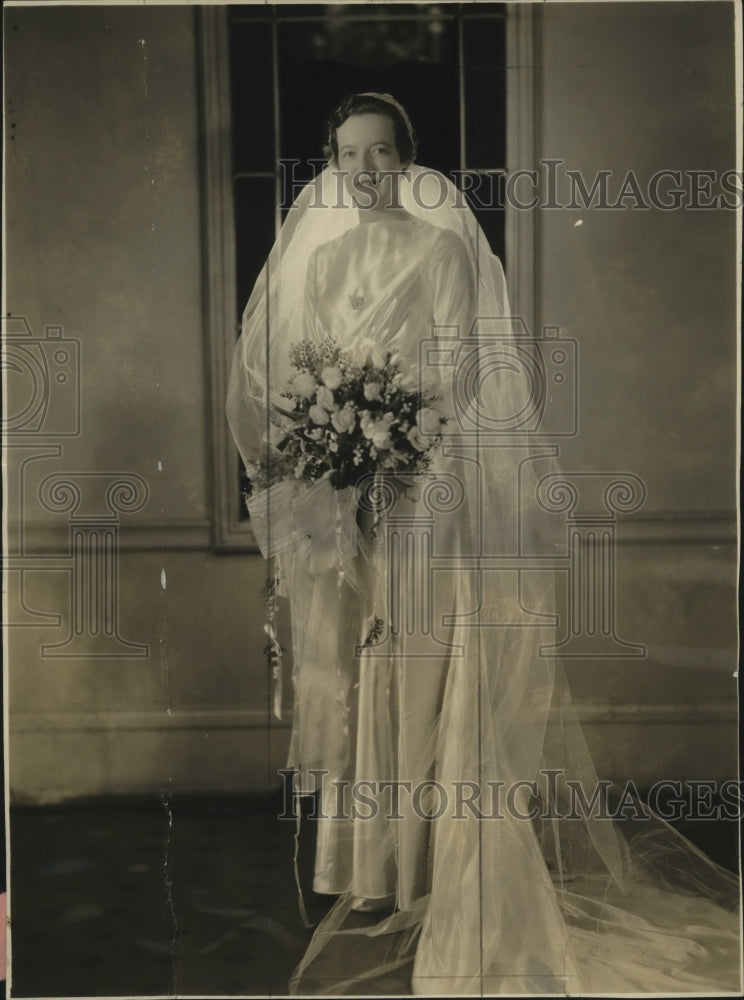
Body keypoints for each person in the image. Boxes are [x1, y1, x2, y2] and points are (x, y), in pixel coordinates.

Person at [227, 93, 741, 995]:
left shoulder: (441, 252)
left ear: (409, 160)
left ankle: (436, 870)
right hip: (357, 492)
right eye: (351, 155)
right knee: (367, 664)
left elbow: (465, 365)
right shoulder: (327, 259)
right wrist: (336, 441)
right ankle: (374, 872)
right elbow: (303, 361)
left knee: (425, 666)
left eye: (383, 152)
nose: (368, 171)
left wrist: (389, 423)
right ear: (333, 164)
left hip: (428, 486)